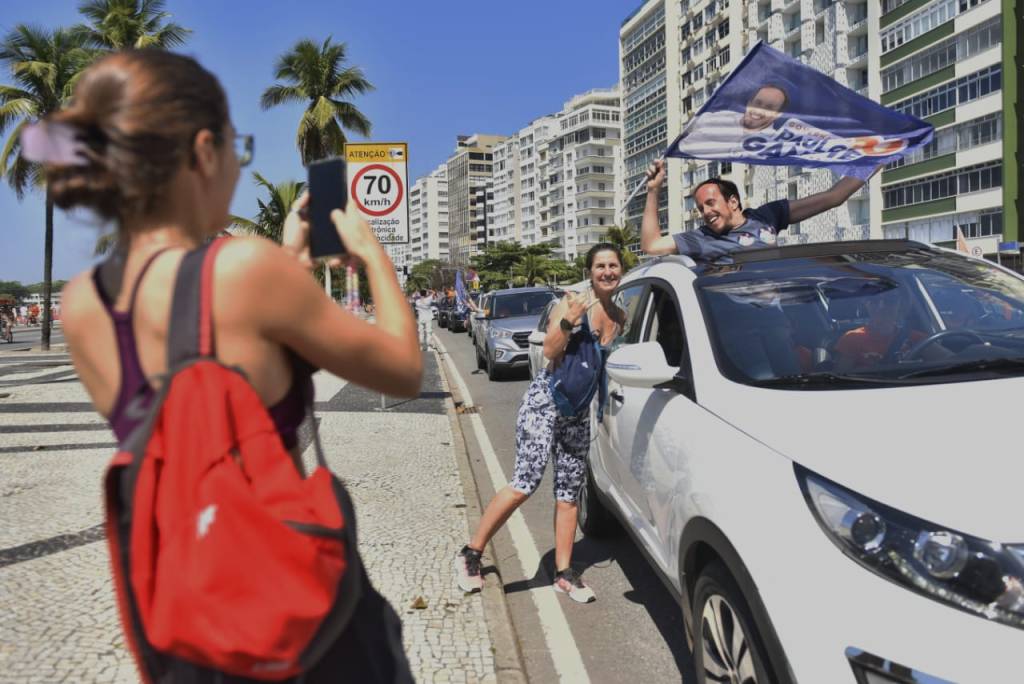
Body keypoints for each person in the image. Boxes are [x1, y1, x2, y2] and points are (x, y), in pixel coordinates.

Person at [43, 49, 419, 682]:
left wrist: (285, 259)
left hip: (190, 624)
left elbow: (195, 406)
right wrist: (370, 250)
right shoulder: (246, 270)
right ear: (204, 151)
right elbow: (404, 369)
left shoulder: (84, 303)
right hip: (293, 617)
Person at [454, 243, 626, 603]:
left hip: (577, 412)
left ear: (620, 270)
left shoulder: (620, 316)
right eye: (600, 266)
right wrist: (569, 320)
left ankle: (564, 572)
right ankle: (471, 553)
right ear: (590, 271)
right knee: (524, 483)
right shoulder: (576, 302)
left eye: (613, 265)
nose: (607, 272)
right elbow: (549, 350)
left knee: (569, 492)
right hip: (545, 403)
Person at [641, 159, 876, 264]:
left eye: (711, 203)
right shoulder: (702, 238)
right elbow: (652, 246)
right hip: (749, 328)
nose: (705, 212)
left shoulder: (766, 216)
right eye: (701, 208)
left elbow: (834, 197)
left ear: (733, 202)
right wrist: (653, 190)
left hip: (788, 312)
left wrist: (881, 157)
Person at [674, 84, 789, 159]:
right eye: (757, 103)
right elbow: (691, 129)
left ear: (777, 115)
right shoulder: (724, 117)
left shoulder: (772, 145)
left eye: (768, 108)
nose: (759, 110)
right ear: (749, 103)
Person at [834, 288, 925, 371]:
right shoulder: (852, 339)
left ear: (901, 305)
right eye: (874, 300)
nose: (881, 306)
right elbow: (842, 377)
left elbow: (939, 360)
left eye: (889, 300)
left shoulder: (917, 339)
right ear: (866, 305)